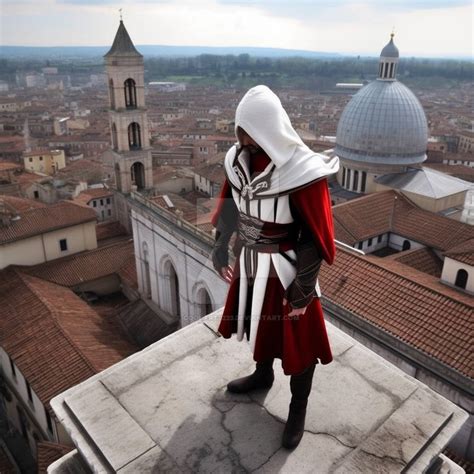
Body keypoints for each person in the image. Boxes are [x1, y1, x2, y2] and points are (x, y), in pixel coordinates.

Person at [211, 85, 339, 449]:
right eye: (241, 128)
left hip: (287, 267)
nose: (244, 137)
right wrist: (221, 247)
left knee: (299, 341)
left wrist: (301, 290)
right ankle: (262, 374)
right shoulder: (236, 161)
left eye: (250, 127)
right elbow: (230, 205)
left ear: (267, 125)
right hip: (251, 261)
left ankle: (297, 409)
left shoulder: (301, 170)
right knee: (258, 324)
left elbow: (314, 235)